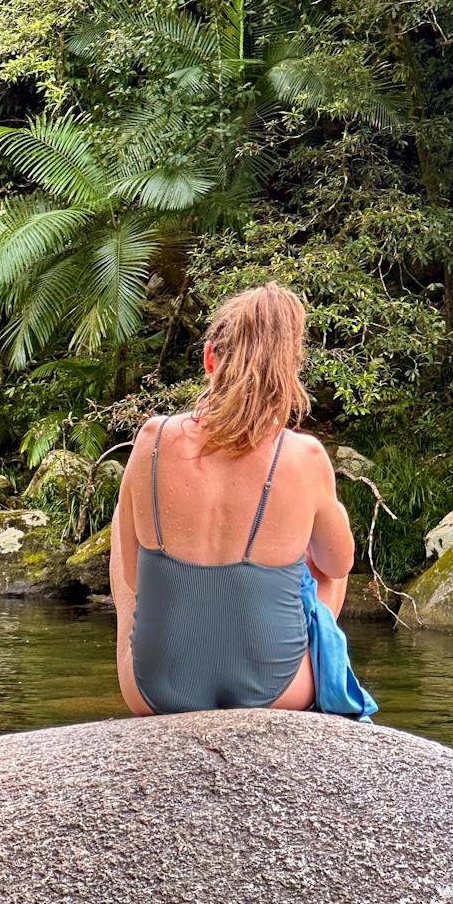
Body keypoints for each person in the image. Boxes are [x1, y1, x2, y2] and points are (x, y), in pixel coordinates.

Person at [109, 282, 375, 719]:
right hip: (277, 691)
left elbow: (135, 579)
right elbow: (339, 566)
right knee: (323, 556)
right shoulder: (305, 456)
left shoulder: (152, 439)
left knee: (127, 513)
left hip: (155, 690)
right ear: (288, 372)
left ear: (210, 358)